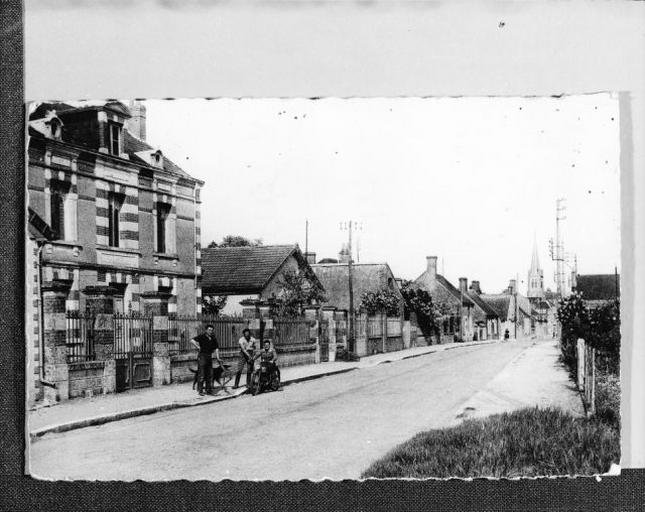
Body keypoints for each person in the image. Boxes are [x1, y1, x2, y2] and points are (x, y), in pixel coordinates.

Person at [190, 324, 220, 395]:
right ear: (206, 330)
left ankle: (208, 390)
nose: (210, 331)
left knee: (210, 374)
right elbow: (191, 340)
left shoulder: (213, 338)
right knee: (202, 374)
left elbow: (216, 348)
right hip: (202, 356)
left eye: (212, 330)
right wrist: (198, 347)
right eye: (209, 330)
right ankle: (200, 390)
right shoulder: (202, 336)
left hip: (209, 357)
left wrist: (218, 357)